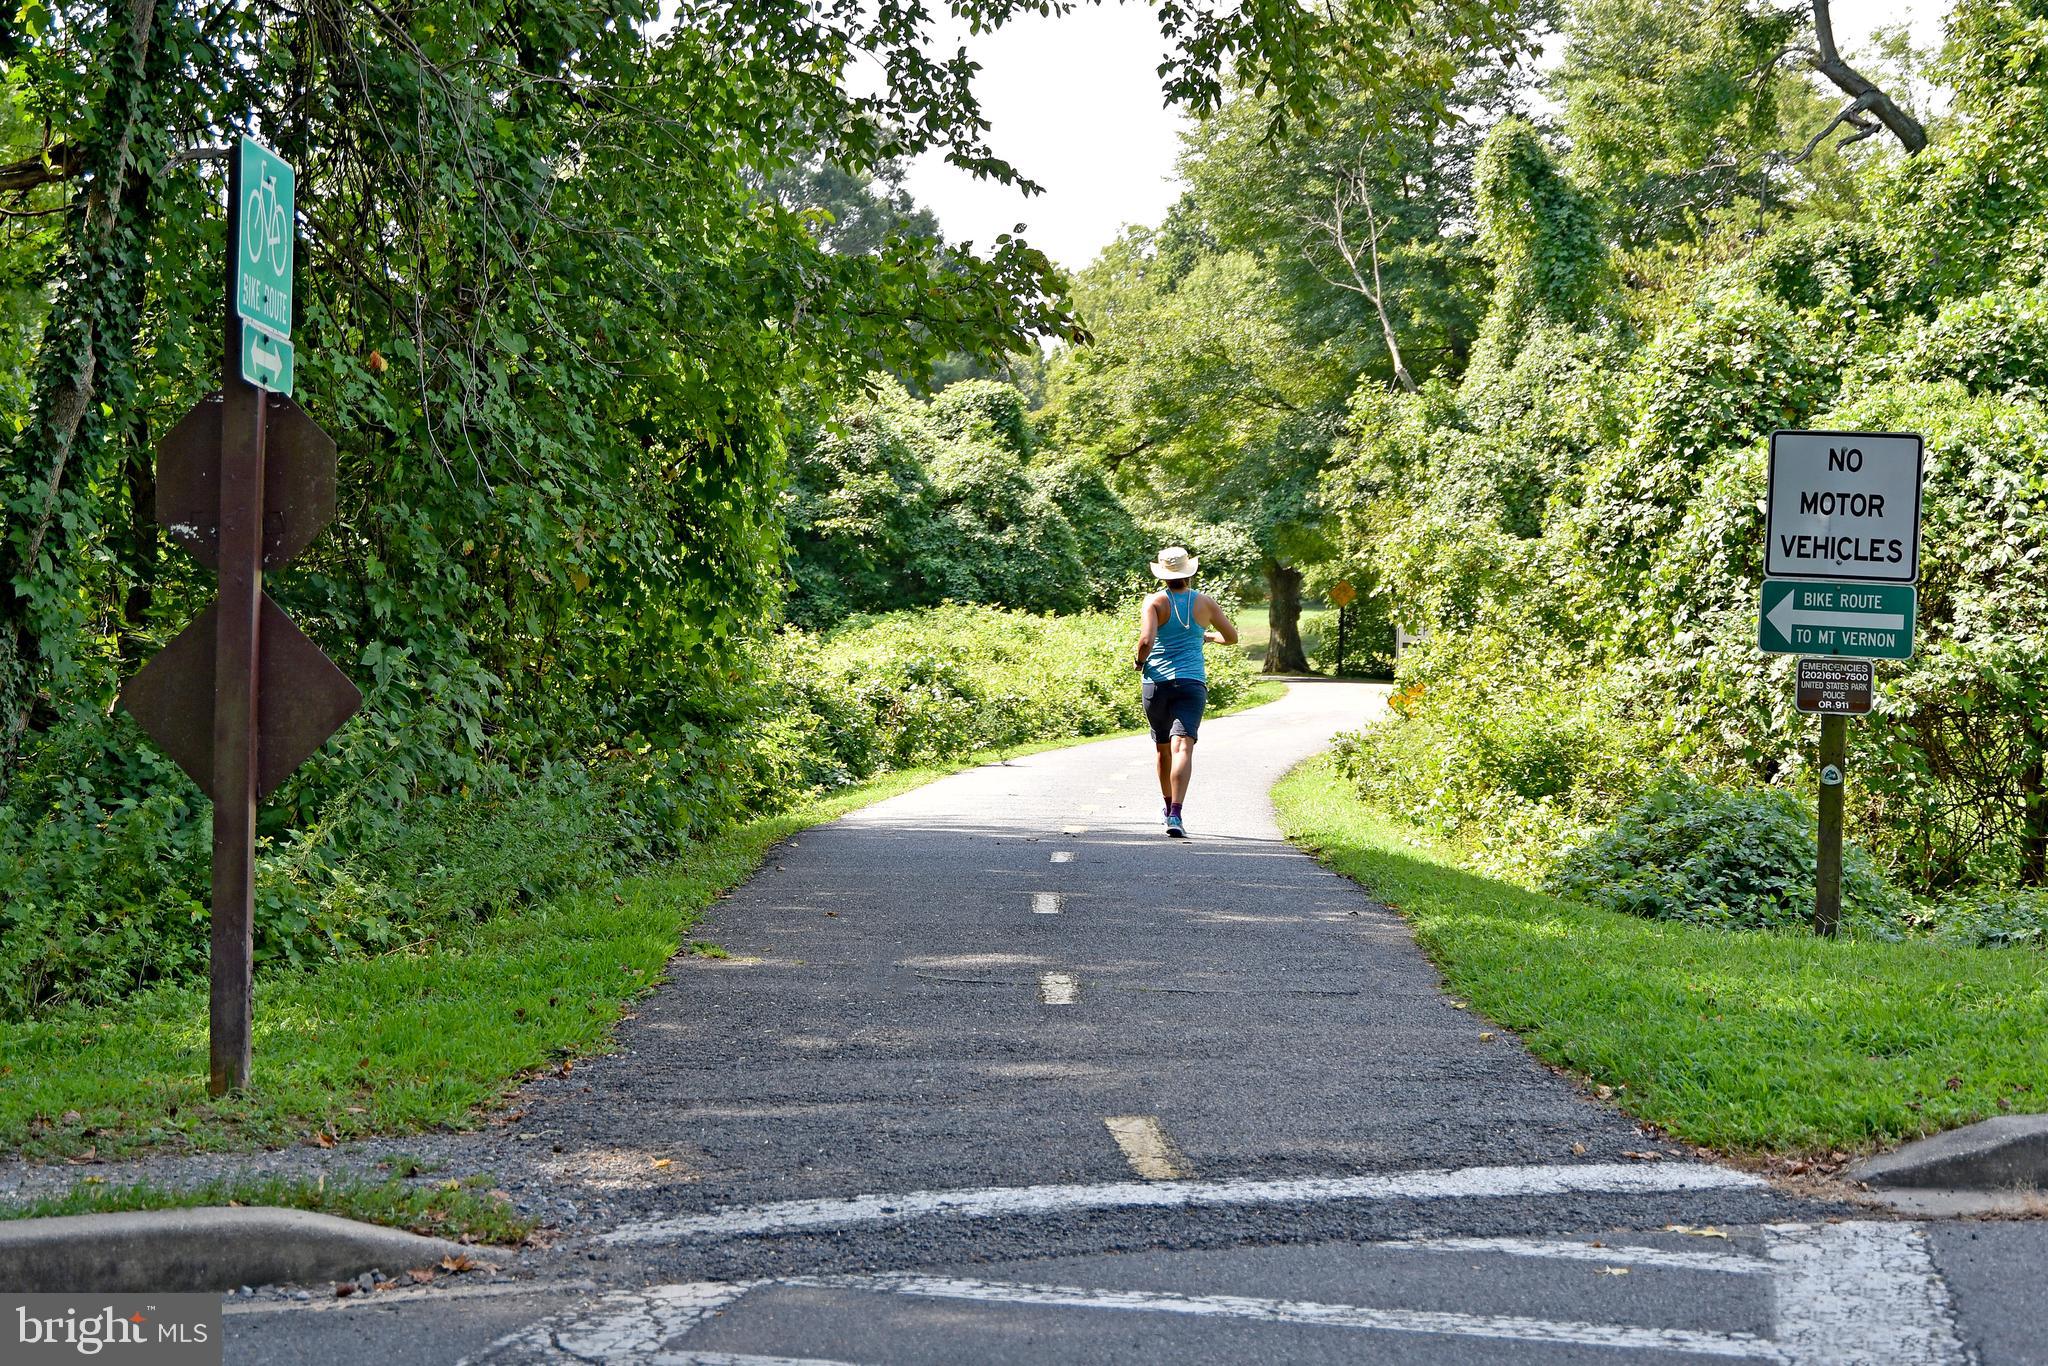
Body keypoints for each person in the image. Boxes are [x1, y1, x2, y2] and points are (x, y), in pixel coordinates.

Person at [1133, 546, 1237, 837]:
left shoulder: (1154, 602)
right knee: (1184, 747)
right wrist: (1205, 636)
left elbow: (1146, 640)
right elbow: (1231, 638)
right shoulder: (1205, 603)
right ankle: (1177, 815)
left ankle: (1167, 809)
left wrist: (1140, 662)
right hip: (1192, 683)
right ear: (1189, 572)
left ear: (1163, 575)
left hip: (1157, 683)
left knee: (1163, 748)